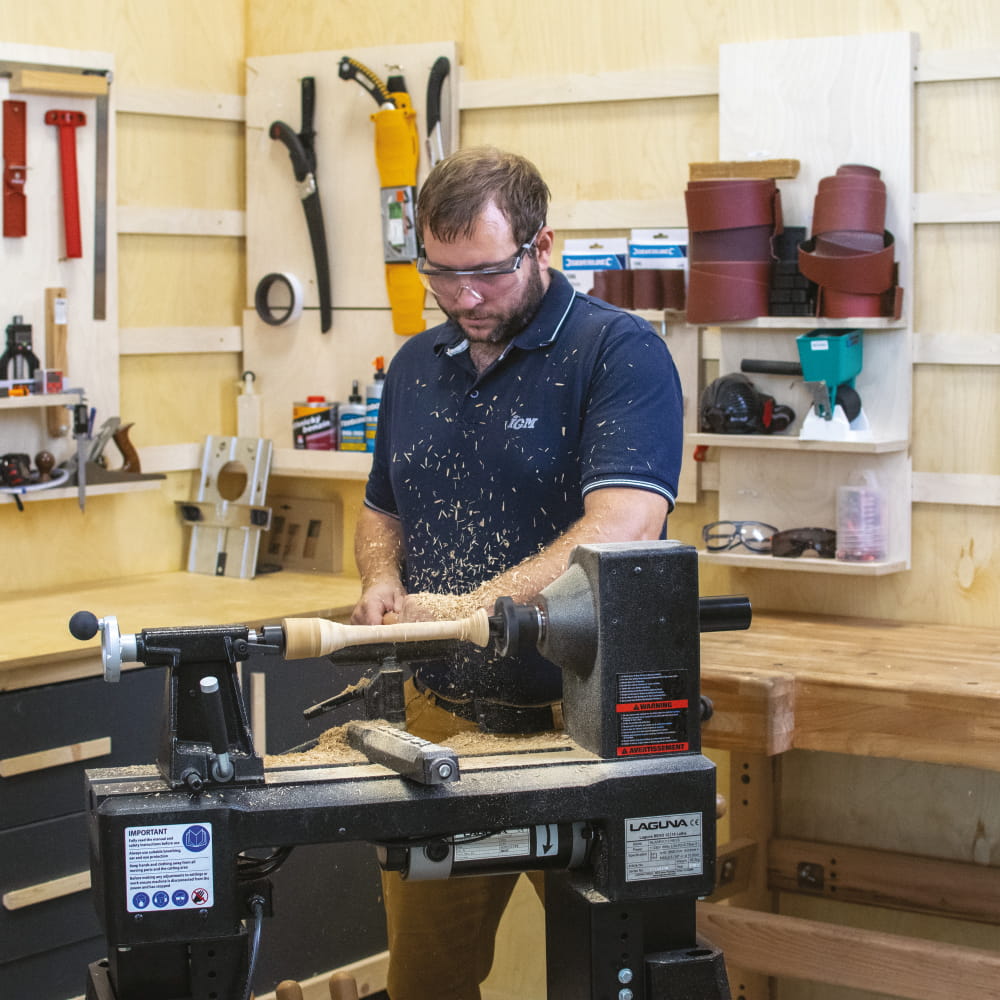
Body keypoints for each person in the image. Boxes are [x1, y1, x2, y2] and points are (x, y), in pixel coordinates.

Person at [351, 146, 684, 1000]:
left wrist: (473, 609)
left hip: (590, 728)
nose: (463, 297)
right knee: (427, 982)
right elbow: (382, 510)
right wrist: (382, 579)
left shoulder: (619, 353)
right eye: (441, 273)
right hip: (446, 726)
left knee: (621, 970)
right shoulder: (415, 365)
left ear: (542, 247)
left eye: (487, 274)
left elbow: (624, 526)